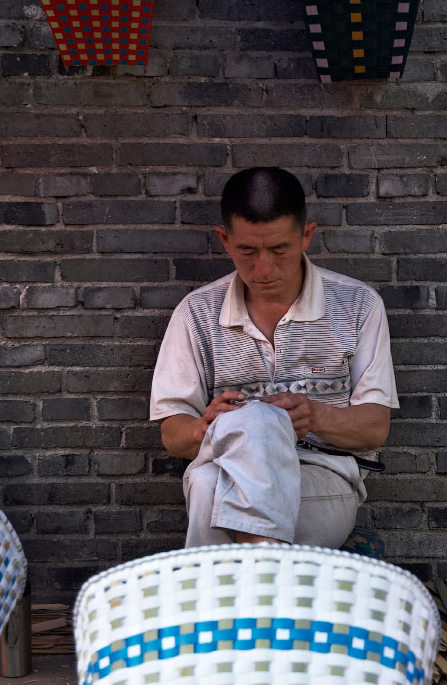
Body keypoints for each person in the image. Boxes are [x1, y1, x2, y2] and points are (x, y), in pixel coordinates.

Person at [149, 167, 398, 547]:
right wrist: (206, 426)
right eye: (248, 251)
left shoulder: (358, 305)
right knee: (222, 458)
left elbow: (375, 428)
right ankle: (267, 573)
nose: (263, 269)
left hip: (320, 476)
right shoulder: (196, 313)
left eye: (279, 249)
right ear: (225, 241)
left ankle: (218, 597)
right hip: (226, 469)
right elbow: (173, 434)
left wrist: (314, 415)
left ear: (306, 236)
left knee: (224, 465)